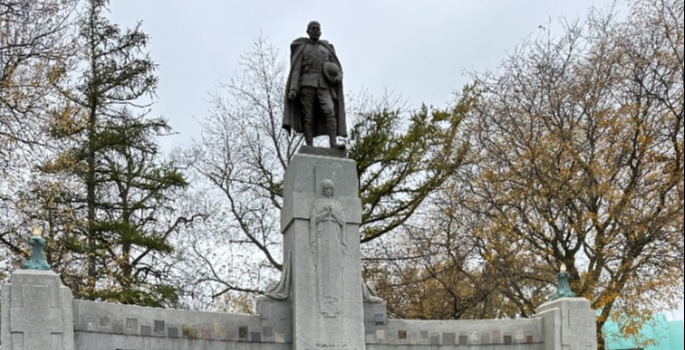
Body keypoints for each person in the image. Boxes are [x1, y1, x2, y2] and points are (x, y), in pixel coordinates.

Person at [283, 21, 347, 149]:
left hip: (324, 86)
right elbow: (296, 70)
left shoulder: (326, 49)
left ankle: (333, 142)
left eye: (317, 29)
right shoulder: (303, 47)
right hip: (306, 84)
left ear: (321, 31)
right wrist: (293, 88)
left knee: (330, 111)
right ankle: (309, 145)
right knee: (308, 115)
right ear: (308, 31)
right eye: (313, 28)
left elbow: (338, 69)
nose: (315, 31)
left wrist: (336, 78)